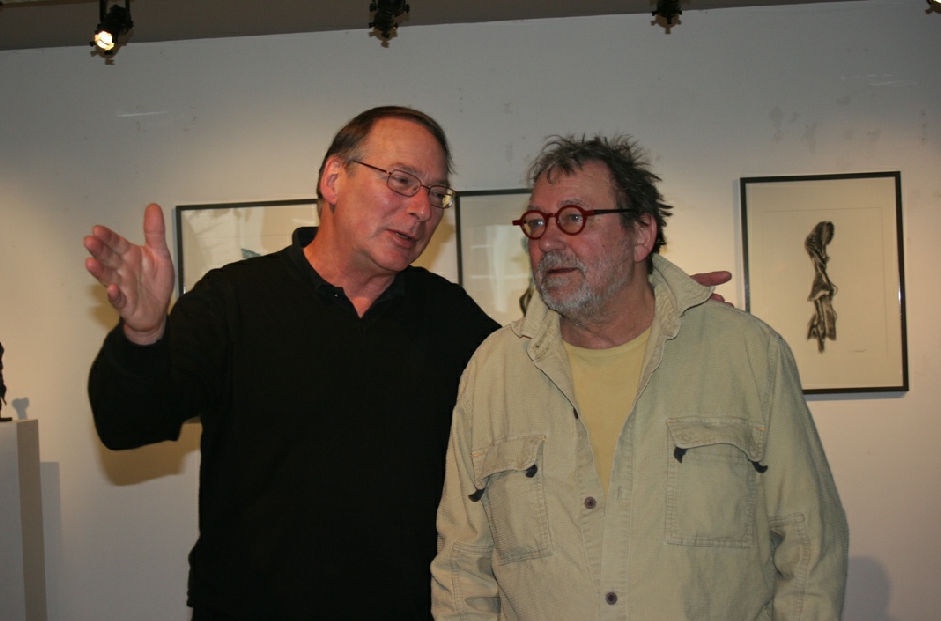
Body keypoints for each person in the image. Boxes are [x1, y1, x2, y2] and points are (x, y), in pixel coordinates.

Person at [84, 107, 730, 619]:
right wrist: (144, 332)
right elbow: (126, 422)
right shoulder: (235, 301)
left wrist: (635, 306)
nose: (422, 209)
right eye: (401, 181)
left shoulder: (449, 319)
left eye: (436, 193)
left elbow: (544, 373)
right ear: (333, 180)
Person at [432, 134, 848, 620]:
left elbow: (810, 547)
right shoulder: (493, 373)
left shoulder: (748, 354)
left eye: (573, 218)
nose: (548, 241)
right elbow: (462, 569)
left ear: (641, 234)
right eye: (537, 223)